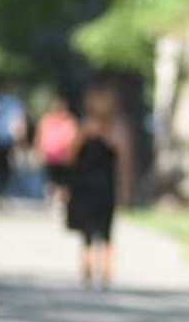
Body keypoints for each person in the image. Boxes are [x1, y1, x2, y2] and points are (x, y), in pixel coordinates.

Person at [66, 86, 131, 289]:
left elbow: (70, 157)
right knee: (106, 233)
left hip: (88, 187)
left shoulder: (88, 128)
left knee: (90, 233)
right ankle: (104, 273)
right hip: (103, 188)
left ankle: (90, 271)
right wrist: (125, 190)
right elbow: (124, 163)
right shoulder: (117, 130)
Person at [35, 93, 78, 211]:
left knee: (64, 182)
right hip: (50, 156)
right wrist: (38, 151)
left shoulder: (69, 121)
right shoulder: (47, 120)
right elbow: (40, 136)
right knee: (51, 181)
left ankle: (61, 203)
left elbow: (74, 138)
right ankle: (53, 201)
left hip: (64, 157)